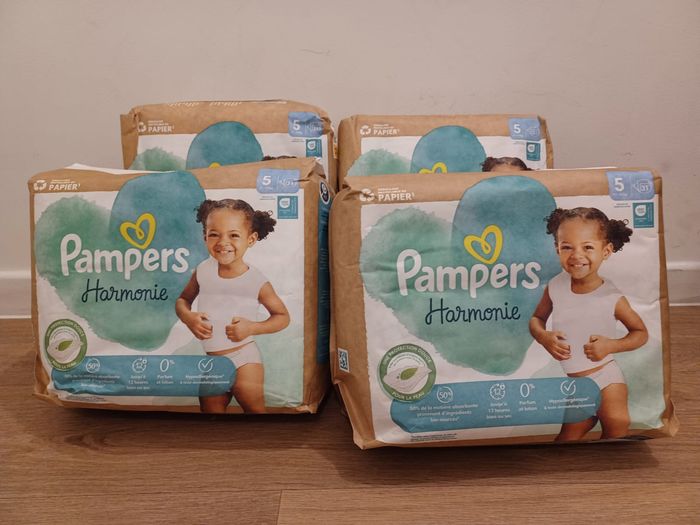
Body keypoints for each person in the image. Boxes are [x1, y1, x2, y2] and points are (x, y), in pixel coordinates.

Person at [529, 207, 648, 441]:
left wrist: (611, 345)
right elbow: (536, 319)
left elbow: (640, 333)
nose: (577, 255)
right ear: (557, 249)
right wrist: (544, 337)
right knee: (565, 440)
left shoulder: (611, 296)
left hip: (607, 380)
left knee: (615, 434)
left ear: (606, 251)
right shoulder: (556, 285)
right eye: (567, 247)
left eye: (587, 247)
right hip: (577, 386)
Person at [176, 198, 290, 414]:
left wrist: (252, 327)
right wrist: (188, 318)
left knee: (254, 410)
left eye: (234, 235)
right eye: (214, 234)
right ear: (205, 237)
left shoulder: (256, 280)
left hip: (244, 359)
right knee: (210, 411)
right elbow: (182, 300)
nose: (223, 242)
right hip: (213, 362)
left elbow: (282, 317)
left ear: (251, 239)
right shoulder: (203, 270)